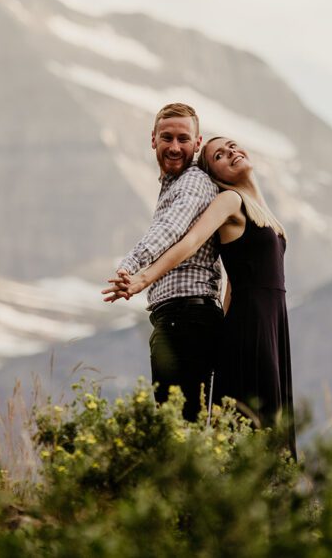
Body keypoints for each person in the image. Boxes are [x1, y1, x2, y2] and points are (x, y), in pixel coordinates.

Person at [108, 136, 296, 458]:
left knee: (272, 419)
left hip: (270, 324)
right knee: (252, 422)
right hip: (250, 326)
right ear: (217, 174)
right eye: (220, 156)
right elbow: (190, 242)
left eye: (232, 146)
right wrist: (142, 278)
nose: (231, 153)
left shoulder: (264, 213)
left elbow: (231, 286)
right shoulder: (230, 202)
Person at [103, 103, 223, 422]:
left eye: (183, 139)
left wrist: (130, 265)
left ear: (198, 144)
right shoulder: (174, 183)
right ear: (152, 139)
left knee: (179, 428)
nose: (174, 146)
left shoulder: (194, 182)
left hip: (187, 319)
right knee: (181, 426)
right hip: (181, 319)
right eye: (166, 137)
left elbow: (171, 229)